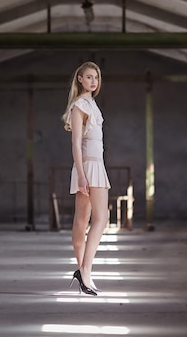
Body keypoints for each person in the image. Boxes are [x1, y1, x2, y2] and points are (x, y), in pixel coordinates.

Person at [61, 61, 111, 296]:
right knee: (100, 218)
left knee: (83, 222)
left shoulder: (92, 103)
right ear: (79, 79)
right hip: (88, 167)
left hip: (95, 165)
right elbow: (75, 144)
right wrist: (81, 175)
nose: (93, 81)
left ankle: (83, 270)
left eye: (96, 78)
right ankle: (85, 270)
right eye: (89, 77)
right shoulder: (80, 105)